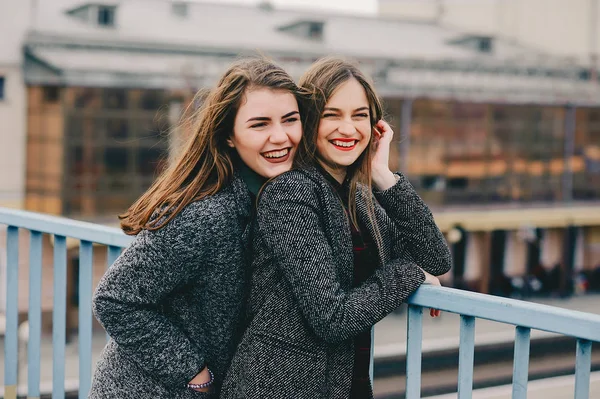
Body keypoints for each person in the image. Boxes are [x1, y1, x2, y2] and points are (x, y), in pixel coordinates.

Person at [221, 57, 452, 398]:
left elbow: (435, 259)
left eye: (360, 115)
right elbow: (333, 317)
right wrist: (408, 275)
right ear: (310, 121)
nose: (348, 129)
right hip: (277, 387)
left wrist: (384, 177)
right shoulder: (291, 194)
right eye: (332, 115)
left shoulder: (359, 199)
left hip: (342, 383)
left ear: (375, 126)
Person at [89, 57, 304, 398]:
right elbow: (115, 299)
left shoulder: (278, 197)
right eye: (260, 124)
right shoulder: (207, 215)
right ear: (229, 137)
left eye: (290, 120)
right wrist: (193, 371)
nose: (280, 136)